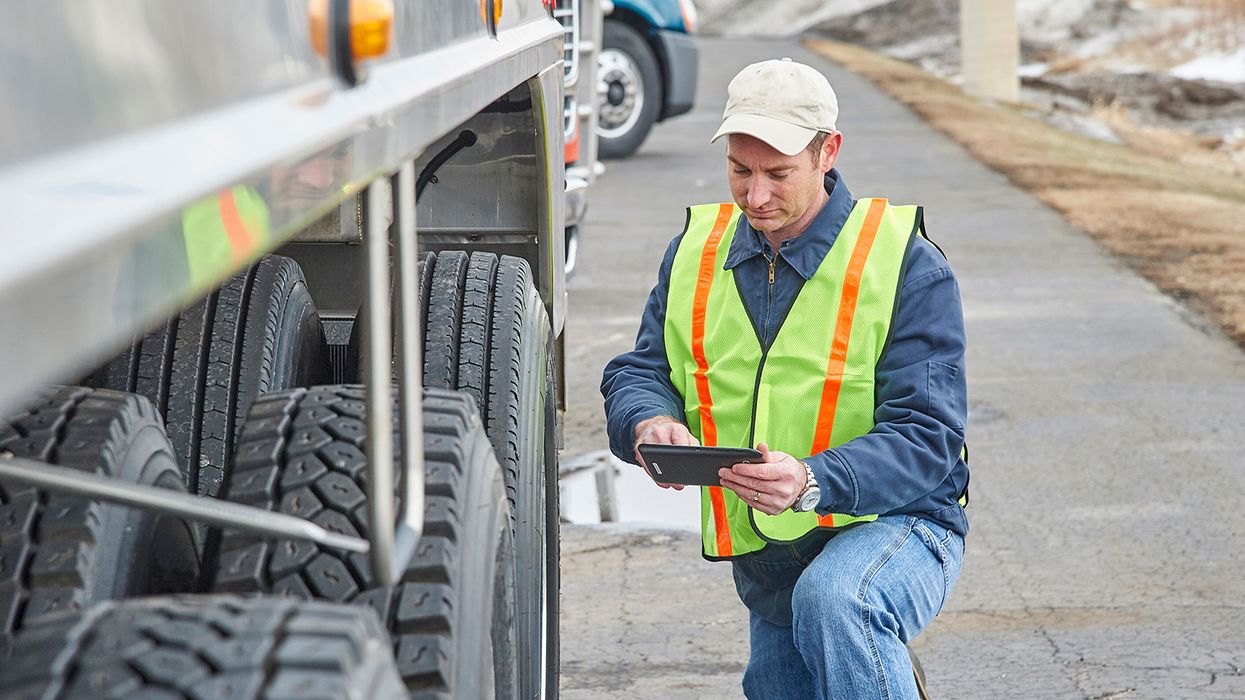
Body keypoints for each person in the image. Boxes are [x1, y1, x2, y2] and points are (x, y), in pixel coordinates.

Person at [600, 57, 969, 699]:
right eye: (740, 171)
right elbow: (643, 369)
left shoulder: (905, 263)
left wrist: (812, 479)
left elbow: (928, 434)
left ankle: (866, 650)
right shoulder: (695, 252)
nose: (755, 196)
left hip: (900, 522)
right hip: (772, 557)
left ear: (828, 152)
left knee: (839, 601)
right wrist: (648, 419)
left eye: (778, 173)